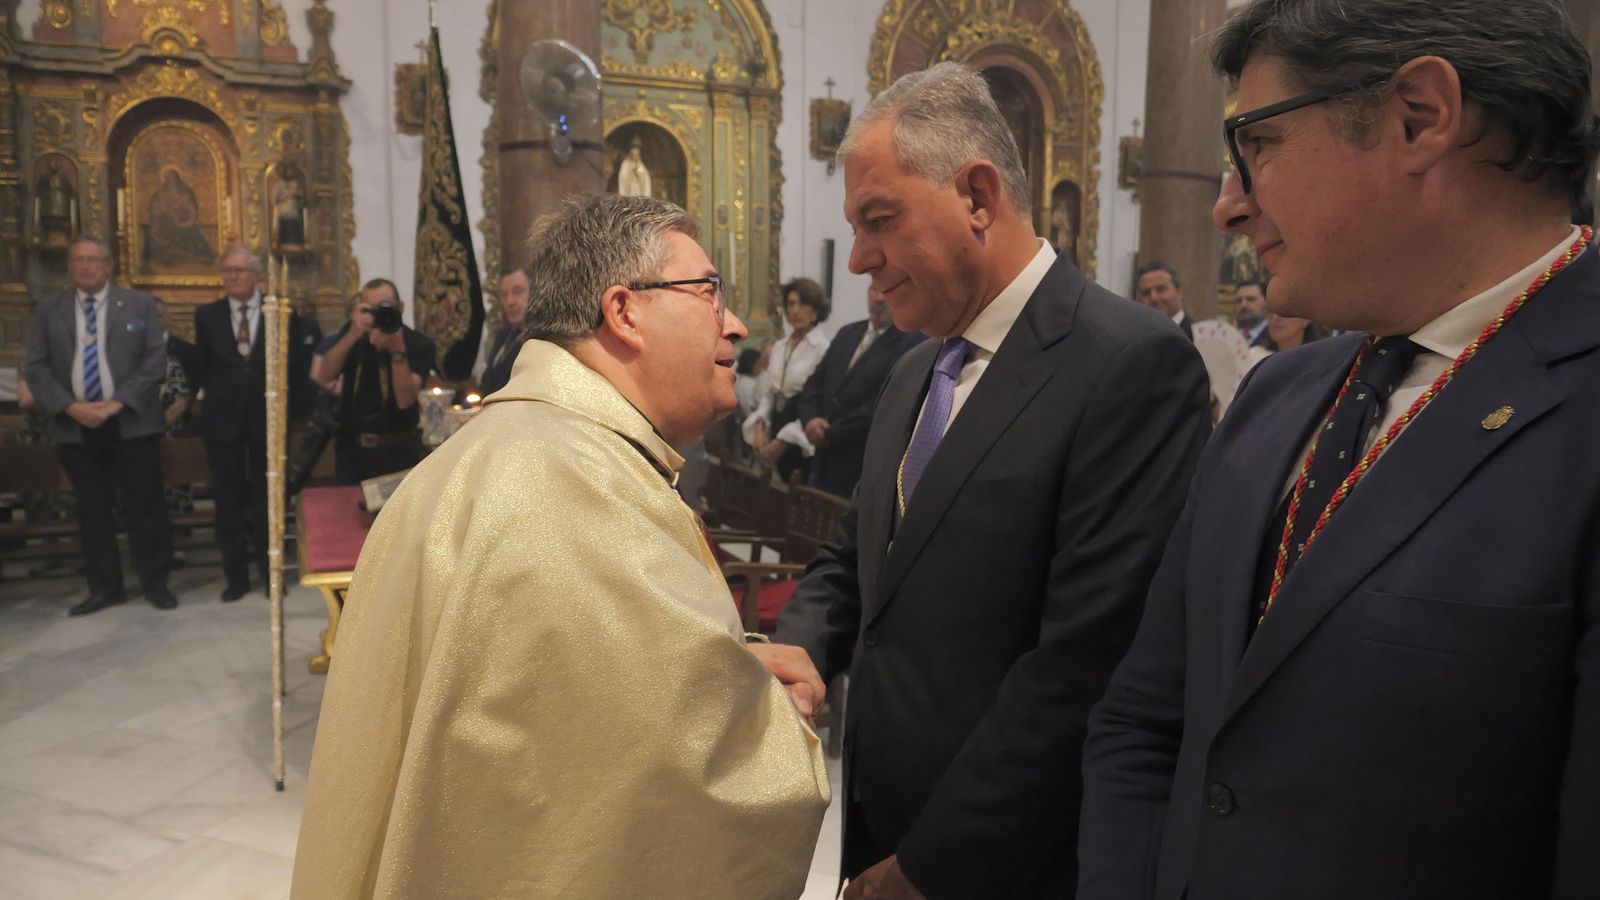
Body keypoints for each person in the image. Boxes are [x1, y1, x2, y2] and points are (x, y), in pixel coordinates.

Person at [1078, 3, 1600, 898]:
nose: (1228, 205)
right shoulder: (1280, 394)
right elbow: (1150, 713)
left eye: (1260, 143)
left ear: (1419, 117)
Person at [292, 192, 828, 899]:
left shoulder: (520, 449)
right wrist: (772, 718)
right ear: (624, 310)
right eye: (709, 293)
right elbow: (683, 784)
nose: (734, 325)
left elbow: (575, 703)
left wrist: (733, 669)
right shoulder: (573, 486)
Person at [763, 62, 1211, 899]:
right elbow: (859, 552)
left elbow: (1082, 665)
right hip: (879, 821)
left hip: (1004, 860)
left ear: (977, 194)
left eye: (880, 220)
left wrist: (934, 865)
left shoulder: (1129, 365)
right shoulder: (915, 371)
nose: (859, 257)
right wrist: (802, 638)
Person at [24, 237, 177, 614]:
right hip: (74, 425)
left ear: (109, 266)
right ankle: (105, 588)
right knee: (92, 511)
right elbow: (37, 367)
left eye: (94, 260)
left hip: (131, 422)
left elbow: (154, 360)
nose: (86, 266)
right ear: (70, 267)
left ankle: (155, 583)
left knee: (145, 508)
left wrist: (116, 403)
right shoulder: (50, 310)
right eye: (79, 260)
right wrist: (70, 406)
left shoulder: (139, 304)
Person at [191, 247, 316, 601]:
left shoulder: (278, 311)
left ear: (257, 276)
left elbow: (294, 366)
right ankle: (235, 577)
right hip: (223, 421)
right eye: (226, 270)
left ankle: (270, 574)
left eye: (239, 271)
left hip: (268, 421)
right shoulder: (208, 316)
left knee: (268, 501)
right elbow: (202, 366)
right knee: (227, 501)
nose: (232, 276)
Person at [794, 286, 924, 497]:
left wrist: (829, 433)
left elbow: (886, 404)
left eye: (887, 290)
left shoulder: (912, 341)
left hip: (860, 461)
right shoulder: (848, 333)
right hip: (823, 458)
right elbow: (814, 384)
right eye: (874, 289)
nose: (880, 297)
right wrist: (810, 419)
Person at [310, 279, 435, 483]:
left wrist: (397, 349)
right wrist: (352, 333)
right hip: (351, 453)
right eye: (370, 309)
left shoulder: (419, 344)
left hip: (398, 452)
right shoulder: (354, 335)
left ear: (400, 308)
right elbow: (323, 376)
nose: (377, 315)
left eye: (385, 308)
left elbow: (405, 400)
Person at [742, 277, 831, 482]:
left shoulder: (822, 348)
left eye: (803, 303)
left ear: (816, 310)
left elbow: (818, 402)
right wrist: (759, 424)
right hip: (776, 424)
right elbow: (769, 393)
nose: (796, 310)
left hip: (801, 435)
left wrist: (784, 440)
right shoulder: (780, 346)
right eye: (791, 303)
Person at [477, 265, 530, 396]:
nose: (510, 302)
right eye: (504, 295)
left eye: (517, 292)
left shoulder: (540, 339)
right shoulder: (504, 335)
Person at [1135, 260, 1193, 340]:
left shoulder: (1200, 335)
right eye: (1146, 293)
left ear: (1179, 292)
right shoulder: (1135, 337)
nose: (1153, 298)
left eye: (1161, 289)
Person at [1232, 279, 1269, 346]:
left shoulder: (1276, 337)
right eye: (1239, 300)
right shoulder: (1230, 338)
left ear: (1266, 302)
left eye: (1250, 299)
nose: (1243, 305)